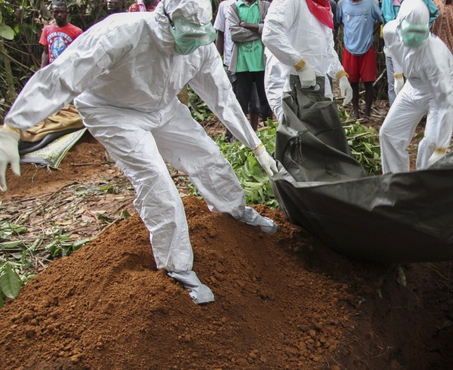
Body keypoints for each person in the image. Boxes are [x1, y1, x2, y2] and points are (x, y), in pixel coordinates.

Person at [0, 0, 280, 306]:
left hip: (163, 107)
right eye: (188, 34)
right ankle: (177, 267)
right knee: (156, 179)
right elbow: (62, 75)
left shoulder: (199, 45)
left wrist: (257, 146)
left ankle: (234, 211)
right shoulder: (122, 32)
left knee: (209, 157)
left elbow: (222, 96)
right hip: (112, 111)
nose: (194, 43)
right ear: (167, 21)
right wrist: (14, 128)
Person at [379, 0, 453, 173]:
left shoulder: (434, 56)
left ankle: (423, 188)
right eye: (410, 31)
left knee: (429, 144)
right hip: (414, 85)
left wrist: (441, 145)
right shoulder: (390, 30)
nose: (414, 38)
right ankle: (397, 182)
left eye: (419, 32)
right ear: (400, 24)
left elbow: (445, 103)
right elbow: (394, 51)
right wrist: (398, 76)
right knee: (388, 133)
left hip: (442, 89)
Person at [261, 0, 353, 123]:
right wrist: (300, 65)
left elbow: (327, 48)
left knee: (322, 129)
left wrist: (340, 74)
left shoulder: (324, 6)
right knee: (295, 132)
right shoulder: (289, 2)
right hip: (290, 82)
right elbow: (271, 34)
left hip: (317, 83)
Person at [225, 0, 272, 133]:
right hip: (242, 64)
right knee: (241, 104)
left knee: (266, 102)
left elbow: (270, 29)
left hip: (262, 63)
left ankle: (269, 133)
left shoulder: (265, 6)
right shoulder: (234, 8)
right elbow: (234, 34)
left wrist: (246, 25)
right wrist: (258, 30)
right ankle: (240, 136)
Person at [381, 0, 439, 107]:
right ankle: (396, 115)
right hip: (392, 48)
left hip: (413, 48)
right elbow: (387, 20)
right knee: (394, 83)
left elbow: (434, 11)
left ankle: (411, 113)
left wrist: (421, 28)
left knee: (412, 82)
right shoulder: (387, 1)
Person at [337, 0, 383, 120]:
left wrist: (370, 34)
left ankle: (367, 113)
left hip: (367, 48)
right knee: (353, 82)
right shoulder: (342, 4)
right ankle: (356, 111)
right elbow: (338, 21)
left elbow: (380, 20)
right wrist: (348, 31)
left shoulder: (371, 3)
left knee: (368, 82)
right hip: (349, 48)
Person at [40, 1, 83, 69]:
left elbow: (79, 53)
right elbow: (46, 52)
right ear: (52, 13)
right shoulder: (46, 29)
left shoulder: (77, 31)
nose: (59, 14)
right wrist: (41, 71)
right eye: (56, 12)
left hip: (69, 69)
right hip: (53, 69)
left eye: (62, 12)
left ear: (66, 13)